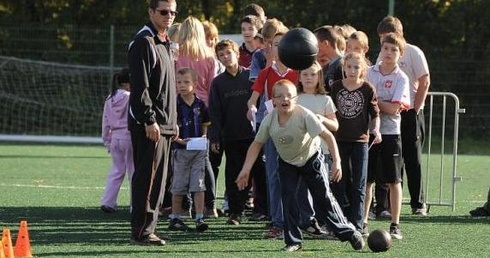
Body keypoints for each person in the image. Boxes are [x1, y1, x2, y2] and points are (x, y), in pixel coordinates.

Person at [236, 79, 365, 252]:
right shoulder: (269, 120)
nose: (285, 99)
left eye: (289, 95)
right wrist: (246, 170)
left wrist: (337, 162)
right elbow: (256, 145)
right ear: (273, 100)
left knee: (324, 198)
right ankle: (293, 241)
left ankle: (349, 232)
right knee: (288, 200)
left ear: (296, 99)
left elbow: (328, 136)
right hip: (287, 162)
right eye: (280, 96)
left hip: (311, 159)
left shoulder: (304, 115)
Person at [127, 0, 178, 246]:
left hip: (165, 124)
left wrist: (173, 121)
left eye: (173, 12)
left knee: (159, 182)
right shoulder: (144, 42)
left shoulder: (165, 41)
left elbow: (168, 88)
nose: (169, 16)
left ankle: (150, 228)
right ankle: (141, 231)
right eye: (164, 12)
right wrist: (150, 120)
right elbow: (140, 88)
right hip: (150, 125)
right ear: (151, 12)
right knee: (147, 179)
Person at [377, 15, 431, 216]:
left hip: (409, 111)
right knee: (391, 158)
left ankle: (418, 203)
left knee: (412, 158)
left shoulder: (414, 52)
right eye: (383, 40)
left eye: (389, 37)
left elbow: (424, 81)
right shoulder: (382, 56)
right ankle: (388, 205)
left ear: (399, 34)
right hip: (390, 114)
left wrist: (415, 109)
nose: (386, 43)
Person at [247, 30, 297, 239]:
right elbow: (252, 100)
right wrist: (251, 109)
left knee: (298, 176)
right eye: (275, 44)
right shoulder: (265, 73)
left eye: (283, 44)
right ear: (270, 48)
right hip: (273, 130)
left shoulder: (299, 72)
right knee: (273, 175)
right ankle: (277, 222)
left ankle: (301, 219)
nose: (279, 48)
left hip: (296, 131)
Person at [208, 39, 263, 225]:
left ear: (237, 54)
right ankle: (235, 213)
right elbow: (215, 112)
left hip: (254, 136)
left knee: (259, 173)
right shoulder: (217, 83)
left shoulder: (251, 77)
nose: (225, 57)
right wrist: (215, 136)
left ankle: (261, 211)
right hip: (231, 137)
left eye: (228, 53)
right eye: (221, 55)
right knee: (233, 175)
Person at [365, 32, 410, 240]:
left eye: (394, 50)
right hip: (369, 132)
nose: (389, 53)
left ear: (400, 54)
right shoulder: (368, 72)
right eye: (386, 48)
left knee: (394, 180)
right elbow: (363, 99)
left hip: (391, 133)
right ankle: (363, 221)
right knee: (368, 180)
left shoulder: (402, 78)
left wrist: (374, 102)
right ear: (380, 49)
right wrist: (378, 105)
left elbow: (393, 109)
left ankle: (395, 224)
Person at [330, 52, 381, 235]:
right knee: (338, 182)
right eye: (349, 66)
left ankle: (358, 224)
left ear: (363, 70)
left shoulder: (368, 88)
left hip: (360, 140)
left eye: (356, 67)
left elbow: (375, 114)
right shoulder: (335, 87)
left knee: (359, 183)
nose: (352, 70)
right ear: (343, 67)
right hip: (339, 140)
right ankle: (339, 223)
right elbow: (329, 111)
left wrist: (376, 129)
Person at [168, 68, 210, 233]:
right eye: (179, 82)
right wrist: (177, 140)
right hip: (180, 150)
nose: (182, 86)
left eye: (186, 82)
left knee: (199, 185)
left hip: (198, 150)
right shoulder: (174, 105)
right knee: (178, 185)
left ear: (195, 84)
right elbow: (170, 128)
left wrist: (204, 137)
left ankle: (199, 217)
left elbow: (205, 124)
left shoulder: (200, 104)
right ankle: (175, 217)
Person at [100, 68, 133, 214]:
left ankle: (108, 202)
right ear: (128, 84)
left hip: (114, 138)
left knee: (116, 171)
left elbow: (105, 121)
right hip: (129, 137)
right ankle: (136, 205)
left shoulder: (109, 98)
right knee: (134, 172)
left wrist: (106, 140)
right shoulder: (130, 97)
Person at [313, 25, 345, 92]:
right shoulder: (326, 67)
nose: (313, 47)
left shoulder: (344, 65)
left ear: (325, 43)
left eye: (315, 44)